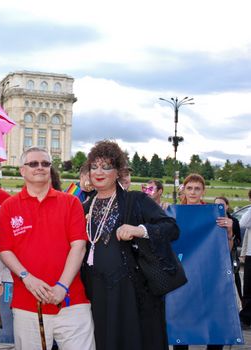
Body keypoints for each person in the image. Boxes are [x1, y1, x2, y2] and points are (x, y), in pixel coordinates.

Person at [82, 140, 179, 350]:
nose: (99, 171)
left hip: (132, 290)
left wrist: (139, 230)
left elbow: (171, 228)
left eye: (107, 166)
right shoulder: (85, 206)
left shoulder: (136, 200)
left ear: (118, 172)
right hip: (96, 290)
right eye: (94, 166)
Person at [0, 147, 94, 350]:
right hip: (27, 303)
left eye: (45, 163)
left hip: (72, 302)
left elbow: (79, 246)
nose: (40, 167)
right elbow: (5, 250)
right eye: (33, 163)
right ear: (22, 170)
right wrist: (27, 277)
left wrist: (62, 286)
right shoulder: (9, 206)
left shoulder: (71, 202)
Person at [175, 173, 222, 350]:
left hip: (206, 273)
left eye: (197, 188)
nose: (193, 192)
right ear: (184, 189)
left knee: (212, 314)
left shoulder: (212, 214)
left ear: (203, 191)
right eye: (189, 188)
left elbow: (223, 247)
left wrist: (228, 229)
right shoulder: (173, 212)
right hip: (182, 272)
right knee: (181, 317)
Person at [215, 196, 242, 301]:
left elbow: (239, 238)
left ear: (227, 206)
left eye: (221, 205)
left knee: (235, 276)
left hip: (231, 252)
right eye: (216, 204)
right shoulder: (213, 219)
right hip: (217, 252)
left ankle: (240, 298)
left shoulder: (233, 220)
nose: (218, 207)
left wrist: (231, 237)